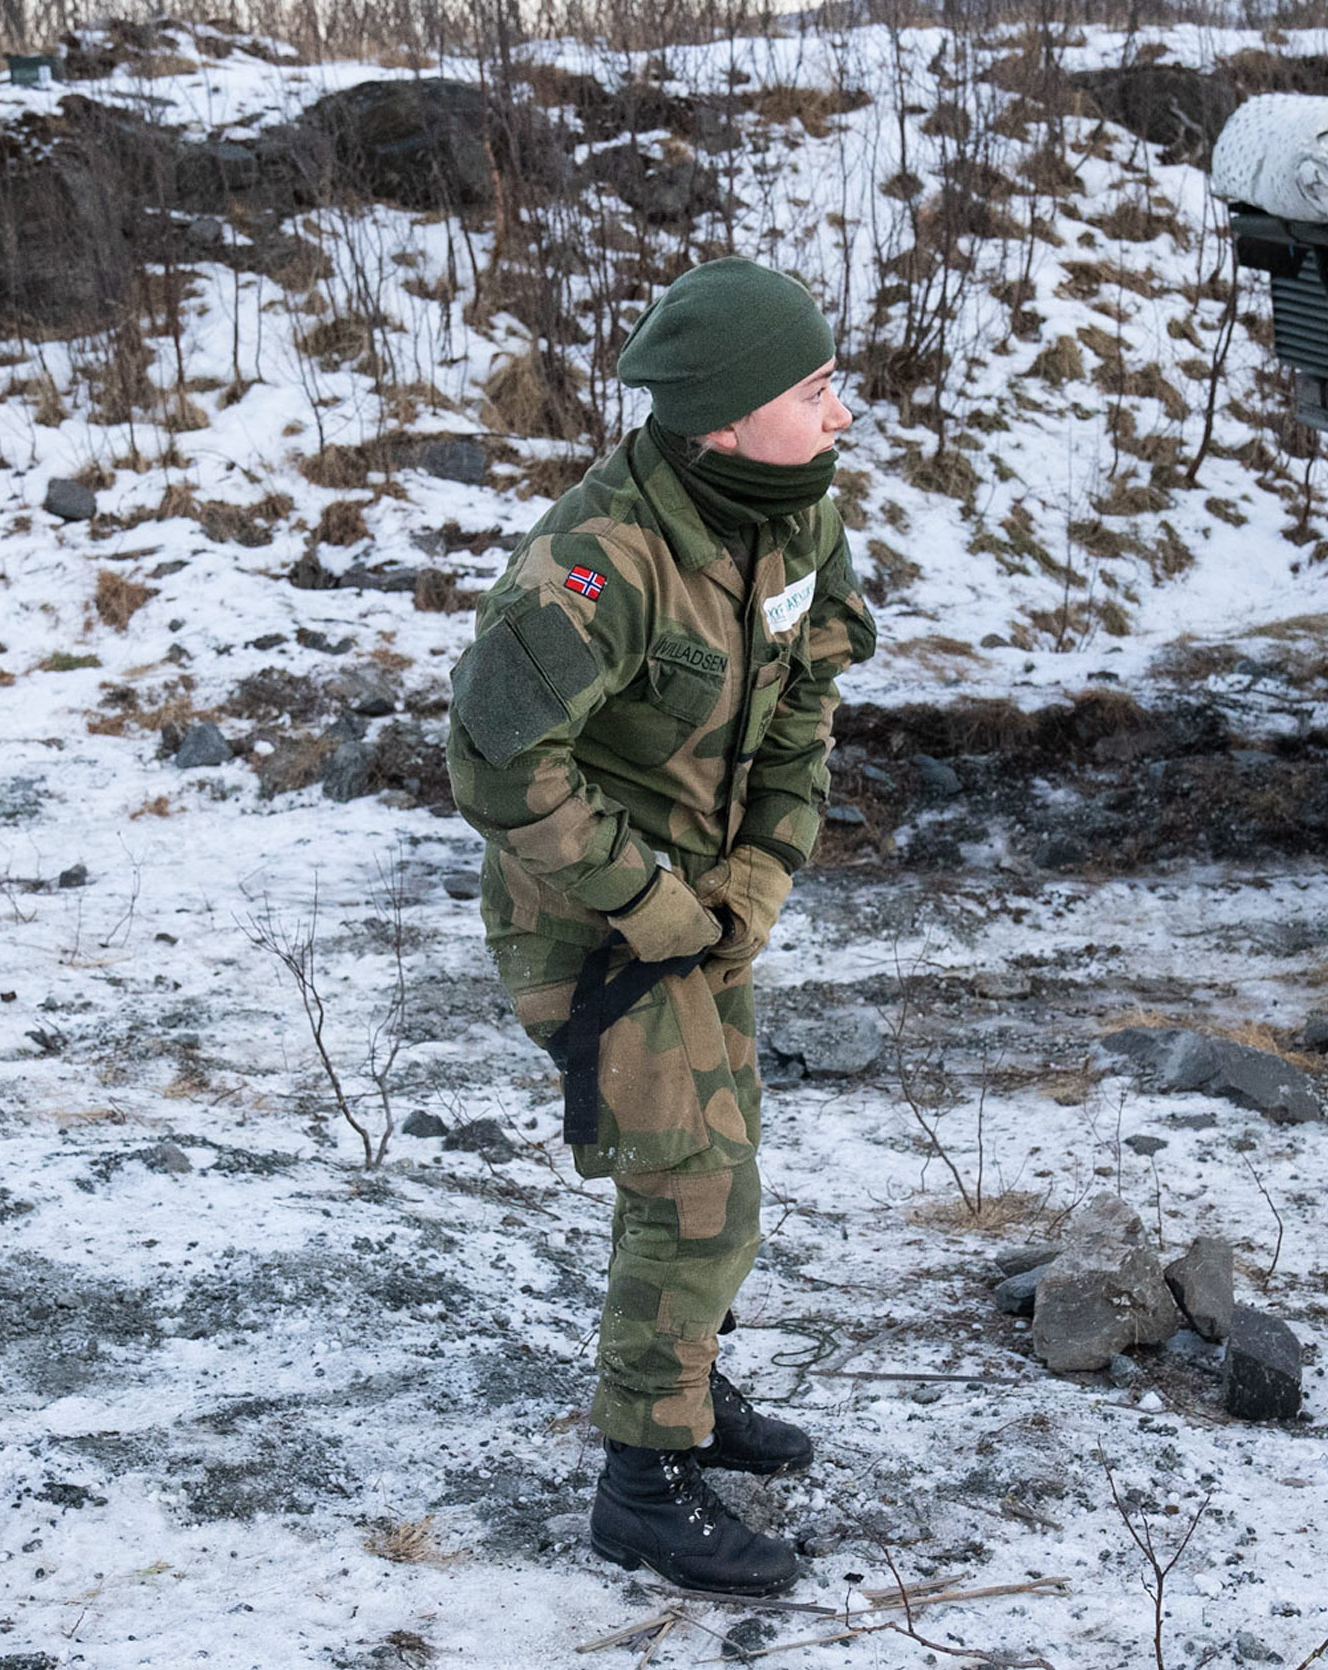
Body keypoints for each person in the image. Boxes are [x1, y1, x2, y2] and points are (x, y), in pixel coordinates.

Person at [446, 257, 875, 1596]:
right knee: (691, 1181)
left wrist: (761, 873)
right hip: (587, 913)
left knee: (726, 1150)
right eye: (815, 391)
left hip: (704, 903)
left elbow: (804, 711)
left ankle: (681, 1385)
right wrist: (654, 901)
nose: (843, 414)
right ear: (725, 420)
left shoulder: (795, 516)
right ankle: (642, 1482)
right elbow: (496, 761)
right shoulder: (603, 557)